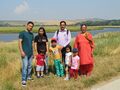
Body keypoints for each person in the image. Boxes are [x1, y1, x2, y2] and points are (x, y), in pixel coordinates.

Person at [18, 21, 34, 86]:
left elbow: (32, 44)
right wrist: (21, 51)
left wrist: (33, 52)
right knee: (25, 66)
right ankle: (24, 80)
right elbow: (19, 43)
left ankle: (29, 76)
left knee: (30, 66)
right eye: (30, 26)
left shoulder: (31, 34)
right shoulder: (22, 33)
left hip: (30, 53)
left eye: (32, 26)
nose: (30, 27)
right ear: (26, 25)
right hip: (24, 53)